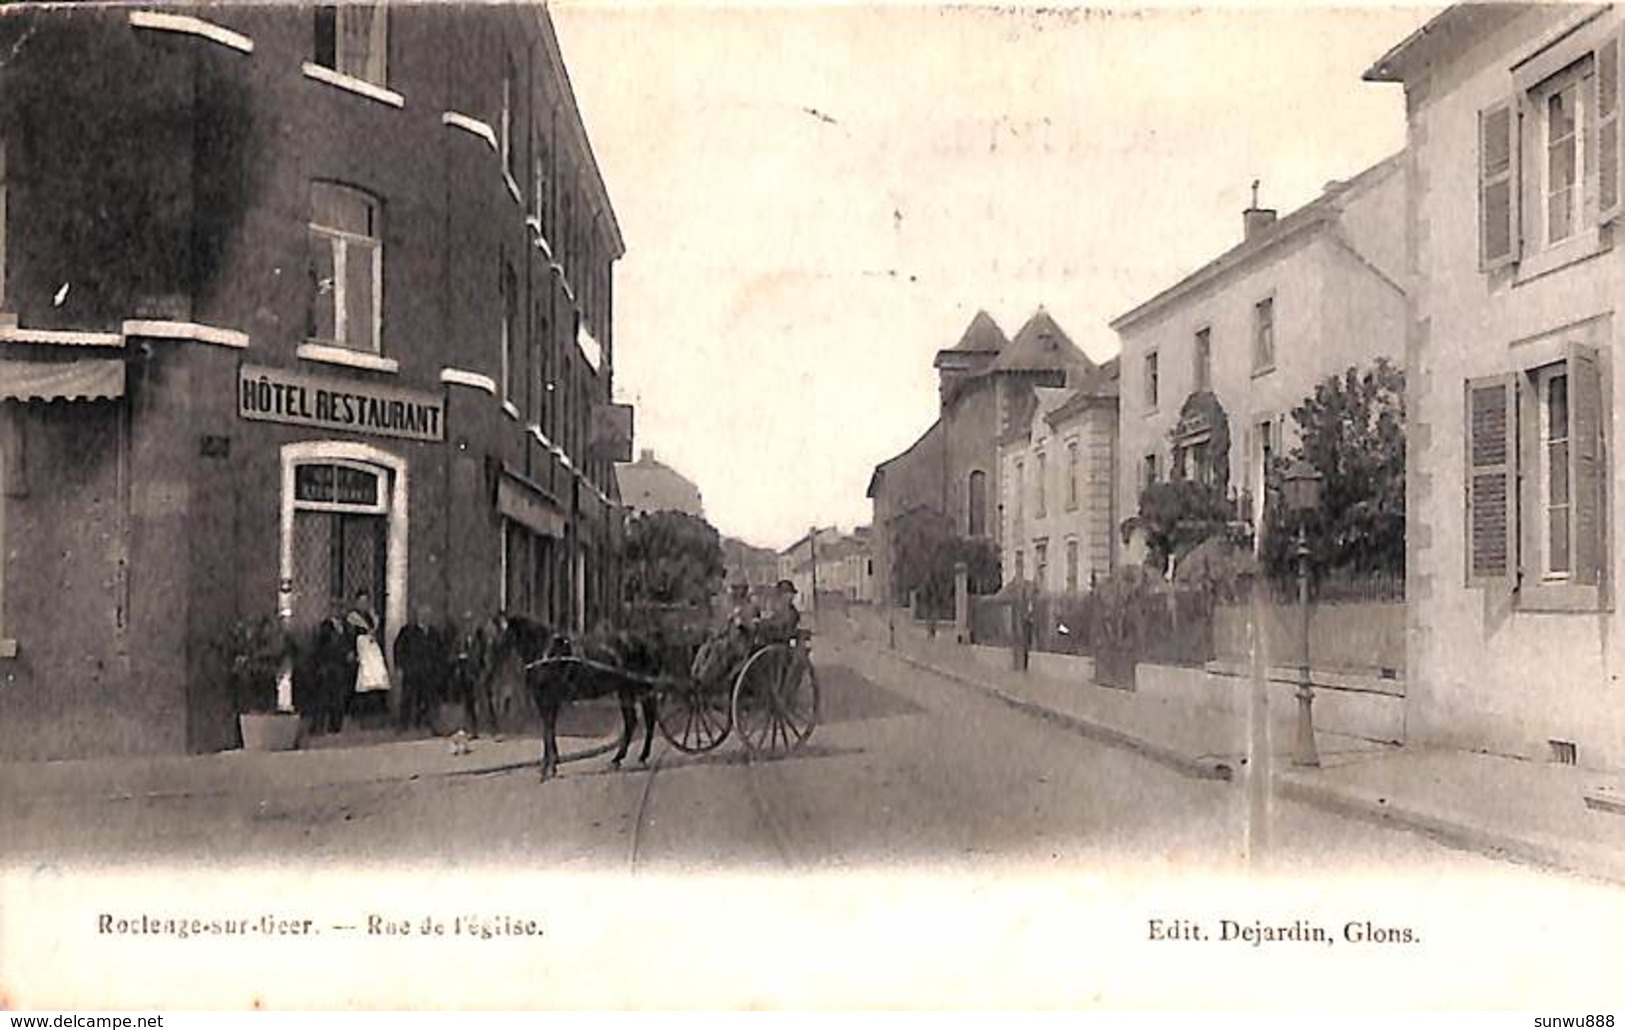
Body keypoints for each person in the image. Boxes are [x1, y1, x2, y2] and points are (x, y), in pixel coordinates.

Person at [346, 589, 390, 724]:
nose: (363, 604)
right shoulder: (353, 618)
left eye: (366, 601)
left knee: (377, 678)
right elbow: (350, 636)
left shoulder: (372, 616)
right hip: (361, 649)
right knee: (362, 680)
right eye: (361, 601)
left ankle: (375, 711)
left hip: (372, 650)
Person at [756, 579, 801, 646]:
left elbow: (783, 630)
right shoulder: (777, 609)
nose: (790, 596)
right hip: (771, 643)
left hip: (780, 645)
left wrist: (764, 623)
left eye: (790, 594)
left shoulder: (792, 613)